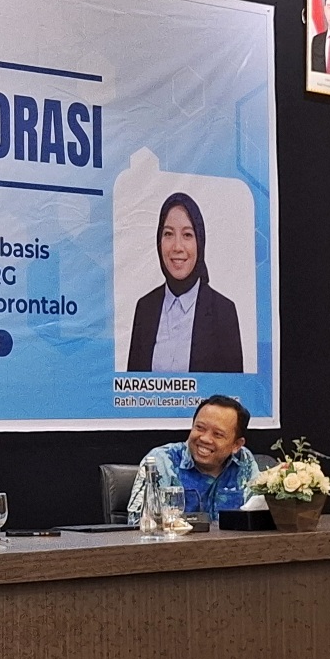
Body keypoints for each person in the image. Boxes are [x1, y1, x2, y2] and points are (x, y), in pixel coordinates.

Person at [126, 192, 243, 373]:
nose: (177, 247)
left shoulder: (223, 312)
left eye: (187, 235)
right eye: (168, 234)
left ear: (200, 242)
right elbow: (131, 386)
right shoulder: (145, 308)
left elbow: (233, 389)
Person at [128, 394, 260, 517]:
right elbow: (138, 522)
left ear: (236, 445)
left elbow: (258, 514)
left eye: (217, 434)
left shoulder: (244, 460)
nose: (205, 438)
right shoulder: (161, 460)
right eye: (200, 428)